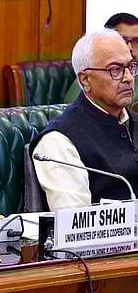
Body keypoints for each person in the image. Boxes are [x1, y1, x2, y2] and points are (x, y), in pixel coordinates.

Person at [32, 29, 138, 209]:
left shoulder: (133, 121)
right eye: (115, 70)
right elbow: (74, 223)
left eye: (130, 67)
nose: (128, 78)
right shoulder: (59, 141)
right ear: (85, 80)